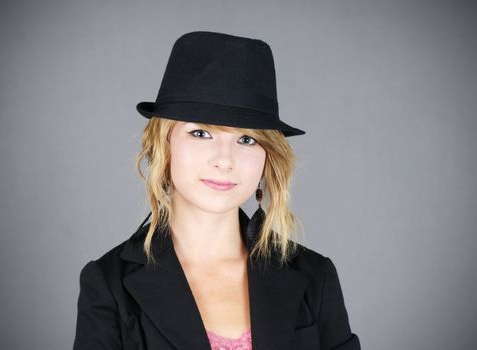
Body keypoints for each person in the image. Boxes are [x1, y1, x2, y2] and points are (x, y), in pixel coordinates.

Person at [73, 31, 360, 350]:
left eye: (247, 140)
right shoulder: (108, 284)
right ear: (163, 146)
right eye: (200, 133)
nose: (225, 160)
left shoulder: (315, 276)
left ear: (268, 158)